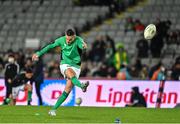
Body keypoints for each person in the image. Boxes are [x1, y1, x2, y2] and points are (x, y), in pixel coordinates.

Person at [32, 27, 89, 116]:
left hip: (76, 66)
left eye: (70, 39)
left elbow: (83, 47)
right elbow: (50, 46)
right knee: (70, 73)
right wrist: (39, 53)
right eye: (66, 38)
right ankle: (82, 85)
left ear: (74, 36)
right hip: (65, 64)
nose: (68, 41)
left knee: (67, 90)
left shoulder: (78, 40)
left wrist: (84, 47)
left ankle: (53, 110)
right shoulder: (61, 40)